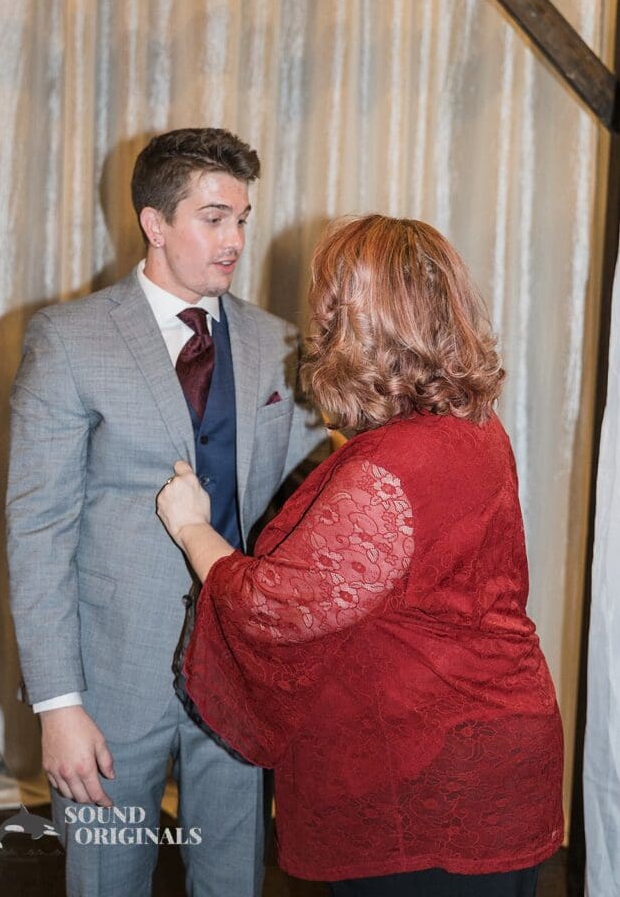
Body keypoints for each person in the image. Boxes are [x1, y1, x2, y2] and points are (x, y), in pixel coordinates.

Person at [157, 214, 564, 897]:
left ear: (362, 323)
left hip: (429, 786)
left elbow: (275, 606)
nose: (317, 321)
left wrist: (191, 526)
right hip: (495, 752)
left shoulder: (394, 467)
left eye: (328, 305)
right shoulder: (472, 424)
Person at [6, 127, 325, 897]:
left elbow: (318, 488)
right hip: (111, 681)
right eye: (213, 219)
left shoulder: (277, 342)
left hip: (239, 672)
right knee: (107, 877)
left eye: (241, 219)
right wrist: (58, 706)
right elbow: (38, 532)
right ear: (154, 223)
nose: (235, 239)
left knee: (234, 880)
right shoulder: (69, 339)